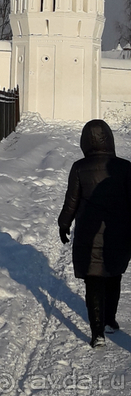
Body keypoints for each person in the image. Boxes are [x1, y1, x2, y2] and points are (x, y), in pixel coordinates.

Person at [58, 119, 131, 347]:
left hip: (88, 234)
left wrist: (64, 224)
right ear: (109, 139)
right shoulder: (125, 167)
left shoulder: (79, 167)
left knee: (93, 280)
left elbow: (72, 201)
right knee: (113, 274)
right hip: (118, 232)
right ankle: (110, 320)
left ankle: (97, 332)